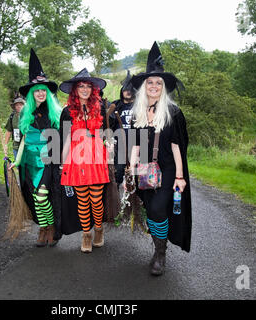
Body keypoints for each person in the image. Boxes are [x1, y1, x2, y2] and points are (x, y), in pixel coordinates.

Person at [129, 42, 192, 276]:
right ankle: (157, 248)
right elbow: (135, 143)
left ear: (163, 87)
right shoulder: (138, 112)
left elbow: (177, 147)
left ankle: (161, 254)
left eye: (158, 83)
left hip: (166, 169)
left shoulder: (173, 112)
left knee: (158, 209)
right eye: (150, 82)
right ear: (144, 87)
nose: (154, 86)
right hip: (143, 170)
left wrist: (179, 176)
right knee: (150, 209)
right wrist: (130, 169)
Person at [8, 48, 62, 247]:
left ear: (47, 93)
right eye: (36, 90)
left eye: (43, 90)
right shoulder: (25, 115)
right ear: (32, 93)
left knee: (42, 197)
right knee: (34, 197)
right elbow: (23, 140)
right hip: (29, 163)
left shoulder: (55, 113)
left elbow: (61, 141)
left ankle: (51, 227)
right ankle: (44, 227)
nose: (40, 93)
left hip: (47, 162)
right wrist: (16, 161)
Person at [59, 68, 110, 253]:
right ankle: (86, 235)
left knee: (96, 199)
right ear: (75, 89)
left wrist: (109, 146)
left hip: (96, 156)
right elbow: (64, 139)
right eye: (81, 86)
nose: (85, 89)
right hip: (76, 159)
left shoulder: (101, 107)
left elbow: (107, 134)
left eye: (88, 86)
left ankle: (99, 230)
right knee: (82, 200)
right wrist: (62, 162)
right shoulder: (67, 112)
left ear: (93, 89)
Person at [107, 69, 135, 185]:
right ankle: (116, 201)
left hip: (137, 145)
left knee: (136, 175)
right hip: (120, 146)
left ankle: (135, 201)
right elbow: (108, 123)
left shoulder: (140, 105)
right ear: (122, 91)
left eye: (130, 90)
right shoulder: (116, 105)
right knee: (117, 175)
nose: (128, 92)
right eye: (126, 89)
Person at [4, 94, 25, 160]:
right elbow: (9, 131)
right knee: (18, 165)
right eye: (17, 105)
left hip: (27, 145)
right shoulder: (12, 116)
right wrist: (5, 144)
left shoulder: (29, 116)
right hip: (16, 146)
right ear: (14, 106)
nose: (19, 106)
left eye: (21, 105)